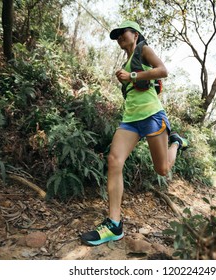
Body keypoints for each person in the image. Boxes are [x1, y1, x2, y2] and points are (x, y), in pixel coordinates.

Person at [80, 20, 188, 246]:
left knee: (162, 169)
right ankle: (114, 224)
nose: (119, 37)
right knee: (114, 160)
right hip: (130, 120)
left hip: (152, 116)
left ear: (136, 34)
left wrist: (132, 77)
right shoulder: (128, 61)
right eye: (116, 35)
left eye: (123, 33)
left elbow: (163, 71)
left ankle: (175, 142)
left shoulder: (144, 50)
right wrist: (127, 77)